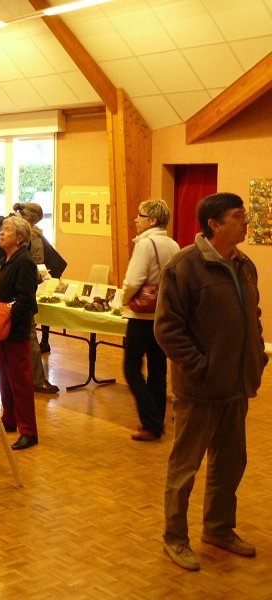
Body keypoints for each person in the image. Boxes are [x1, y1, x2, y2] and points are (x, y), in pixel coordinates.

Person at [155, 193, 267, 571]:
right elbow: (168, 330)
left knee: (231, 462)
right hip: (200, 388)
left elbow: (252, 314)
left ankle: (218, 528)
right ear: (214, 224)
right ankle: (175, 537)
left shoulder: (244, 264)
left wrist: (257, 356)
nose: (245, 222)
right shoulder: (183, 267)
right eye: (238, 217)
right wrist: (199, 367)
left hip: (236, 386)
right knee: (185, 467)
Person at [121, 199, 180, 442]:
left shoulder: (145, 244)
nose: (136, 219)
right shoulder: (173, 244)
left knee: (131, 367)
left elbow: (134, 280)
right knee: (158, 367)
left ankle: (150, 420)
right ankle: (156, 422)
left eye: (140, 215)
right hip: (163, 315)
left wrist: (123, 300)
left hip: (142, 315)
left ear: (152, 220)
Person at [0, 216, 39, 450]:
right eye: (2, 230)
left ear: (20, 238)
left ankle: (29, 431)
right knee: (4, 376)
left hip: (14, 329)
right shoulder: (4, 259)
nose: (2, 234)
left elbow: (25, 300)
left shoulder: (24, 263)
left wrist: (10, 323)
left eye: (7, 231)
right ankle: (8, 419)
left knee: (20, 381)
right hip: (1, 327)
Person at [16, 202, 59, 393]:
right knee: (30, 334)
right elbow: (37, 265)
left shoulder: (7, 227)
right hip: (24, 289)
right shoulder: (32, 235)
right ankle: (37, 379)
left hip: (12, 288)